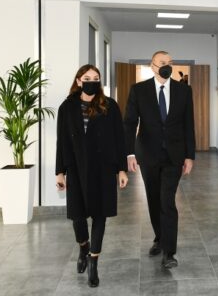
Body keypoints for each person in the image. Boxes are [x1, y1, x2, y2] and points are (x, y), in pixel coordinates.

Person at [56, 64, 129, 288]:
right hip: (76, 169)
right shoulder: (67, 107)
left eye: (95, 78)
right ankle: (83, 247)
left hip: (103, 168)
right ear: (79, 81)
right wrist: (60, 172)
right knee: (77, 216)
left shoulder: (110, 106)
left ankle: (94, 263)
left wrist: (121, 169)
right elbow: (62, 141)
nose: (91, 82)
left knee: (100, 215)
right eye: (87, 78)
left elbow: (119, 139)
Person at [124, 51, 195, 269]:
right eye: (163, 62)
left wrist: (189, 155)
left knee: (167, 201)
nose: (167, 66)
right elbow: (129, 123)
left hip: (174, 155)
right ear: (152, 66)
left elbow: (188, 124)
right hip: (148, 154)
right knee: (154, 200)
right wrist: (129, 153)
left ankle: (169, 252)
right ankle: (159, 238)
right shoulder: (139, 90)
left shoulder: (184, 90)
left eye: (170, 62)